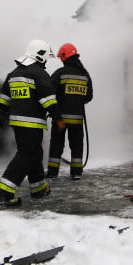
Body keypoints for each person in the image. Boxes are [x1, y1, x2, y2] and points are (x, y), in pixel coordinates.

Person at [0, 39, 63, 206]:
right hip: (32, 124)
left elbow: (4, 99)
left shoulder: (14, 74)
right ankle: (3, 194)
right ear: (40, 56)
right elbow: (48, 100)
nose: (46, 61)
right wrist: (58, 119)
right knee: (26, 155)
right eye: (46, 57)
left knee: (34, 153)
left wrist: (0, 116)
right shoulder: (39, 74)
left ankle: (38, 188)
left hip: (17, 123)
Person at [47, 43, 93, 180]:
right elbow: (89, 96)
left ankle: (52, 173)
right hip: (77, 119)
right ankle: (76, 173)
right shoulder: (84, 75)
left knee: (56, 145)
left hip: (60, 119)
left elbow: (49, 92)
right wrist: (76, 101)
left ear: (64, 57)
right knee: (77, 146)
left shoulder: (59, 74)